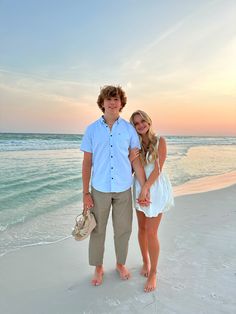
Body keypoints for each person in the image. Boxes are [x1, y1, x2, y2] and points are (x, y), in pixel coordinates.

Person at [80, 86, 149, 286]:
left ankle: (120, 263)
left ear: (121, 103)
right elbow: (87, 162)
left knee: (123, 229)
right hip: (99, 188)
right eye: (108, 99)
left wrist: (144, 187)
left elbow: (135, 160)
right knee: (97, 230)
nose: (112, 103)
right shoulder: (92, 129)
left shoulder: (128, 129)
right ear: (102, 103)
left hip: (123, 188)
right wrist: (85, 192)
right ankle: (98, 267)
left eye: (116, 99)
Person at [129, 110, 174, 292]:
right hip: (139, 188)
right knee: (141, 229)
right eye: (136, 124)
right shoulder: (134, 145)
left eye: (142, 122)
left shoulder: (160, 141)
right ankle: (145, 262)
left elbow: (158, 169)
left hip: (155, 187)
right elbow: (132, 169)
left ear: (149, 122)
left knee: (151, 232)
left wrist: (146, 188)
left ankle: (154, 272)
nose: (140, 125)